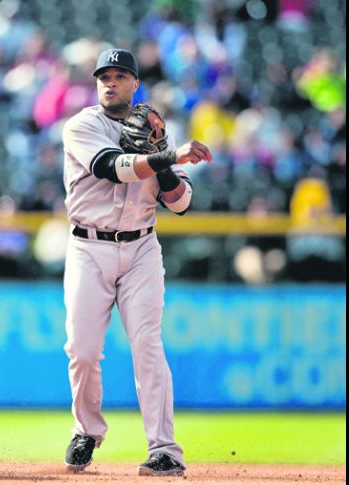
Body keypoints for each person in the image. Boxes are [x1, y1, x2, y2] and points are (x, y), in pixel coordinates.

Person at [60, 48, 212, 476]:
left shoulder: (156, 130)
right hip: (88, 247)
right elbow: (112, 167)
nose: (110, 81)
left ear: (134, 83)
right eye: (103, 75)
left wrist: (162, 154)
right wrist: (169, 155)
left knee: (147, 345)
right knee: (84, 351)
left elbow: (181, 203)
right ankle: (87, 430)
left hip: (143, 247)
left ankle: (165, 450)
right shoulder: (82, 125)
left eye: (120, 75)